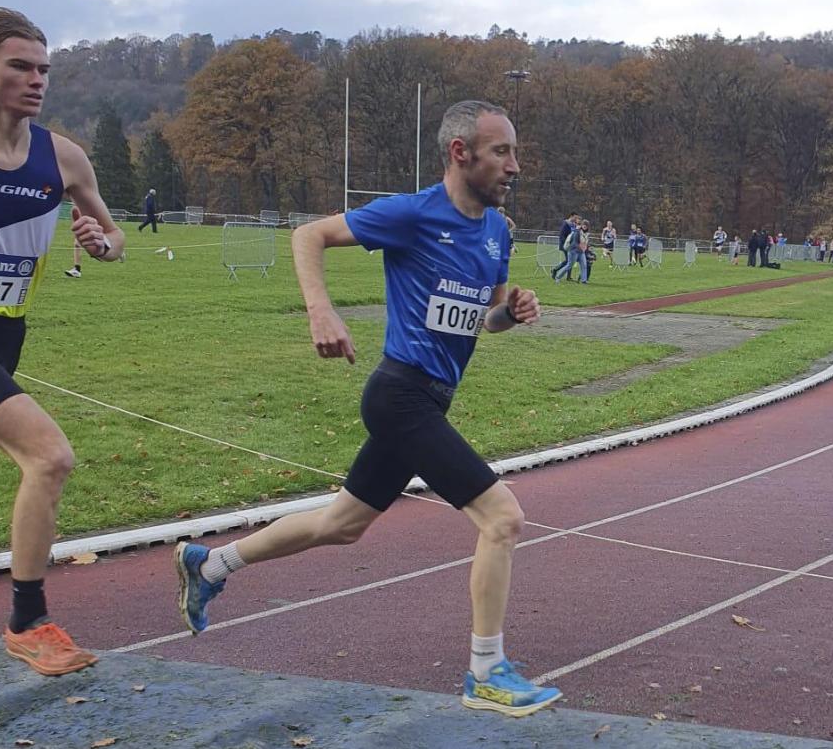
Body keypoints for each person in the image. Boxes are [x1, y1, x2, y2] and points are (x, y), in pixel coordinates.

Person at [172, 100, 561, 717]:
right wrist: (321, 311)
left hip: (430, 400)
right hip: (399, 395)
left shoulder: (496, 232)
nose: (515, 166)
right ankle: (486, 673)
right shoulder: (412, 214)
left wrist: (509, 315)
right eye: (502, 152)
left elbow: (482, 321)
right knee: (502, 518)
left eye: (516, 152)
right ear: (460, 153)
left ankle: (212, 564)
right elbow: (308, 235)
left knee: (341, 525)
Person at [0, 7, 125, 676]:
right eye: (20, 66)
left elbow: (116, 239)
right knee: (49, 456)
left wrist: (101, 243)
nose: (36, 79)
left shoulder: (63, 157)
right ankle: (27, 621)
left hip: (3, 335)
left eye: (44, 69)